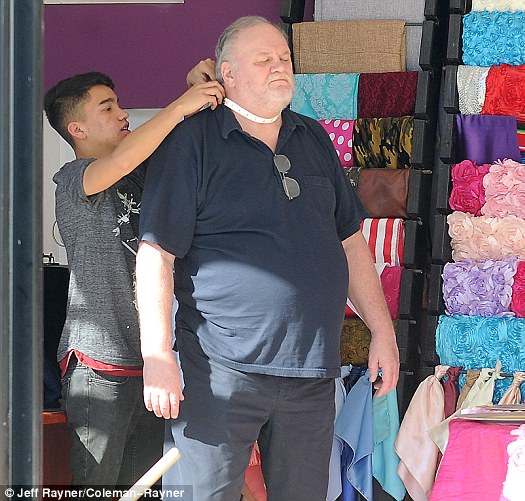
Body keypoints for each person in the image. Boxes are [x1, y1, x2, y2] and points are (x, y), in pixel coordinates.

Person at [135, 15, 400, 501]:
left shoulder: (313, 138)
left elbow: (350, 243)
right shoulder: (192, 141)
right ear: (228, 74)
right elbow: (156, 253)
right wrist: (157, 356)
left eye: (284, 58)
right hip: (219, 370)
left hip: (311, 371)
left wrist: (382, 331)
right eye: (264, 60)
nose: (280, 67)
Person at [43, 63, 224, 488]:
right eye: (107, 108)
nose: (123, 114)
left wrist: (193, 92)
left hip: (153, 365)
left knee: (144, 487)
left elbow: (163, 145)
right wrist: (180, 104)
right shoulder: (73, 179)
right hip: (98, 364)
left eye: (119, 104)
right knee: (97, 488)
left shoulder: (140, 172)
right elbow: (125, 156)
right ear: (76, 129)